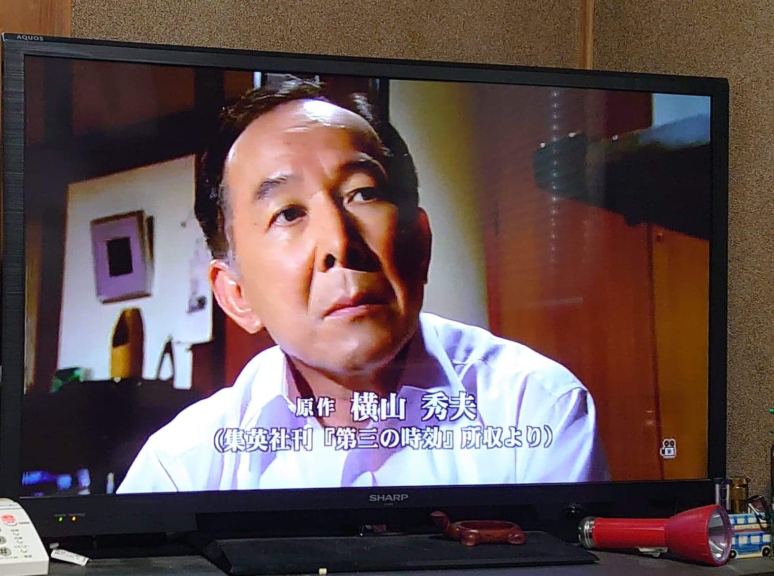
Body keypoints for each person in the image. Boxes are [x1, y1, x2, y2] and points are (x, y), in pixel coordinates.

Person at [117, 78, 608, 493]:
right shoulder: (182, 468)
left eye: (363, 193)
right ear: (236, 295)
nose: (338, 242)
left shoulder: (533, 407)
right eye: (288, 213)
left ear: (421, 244)